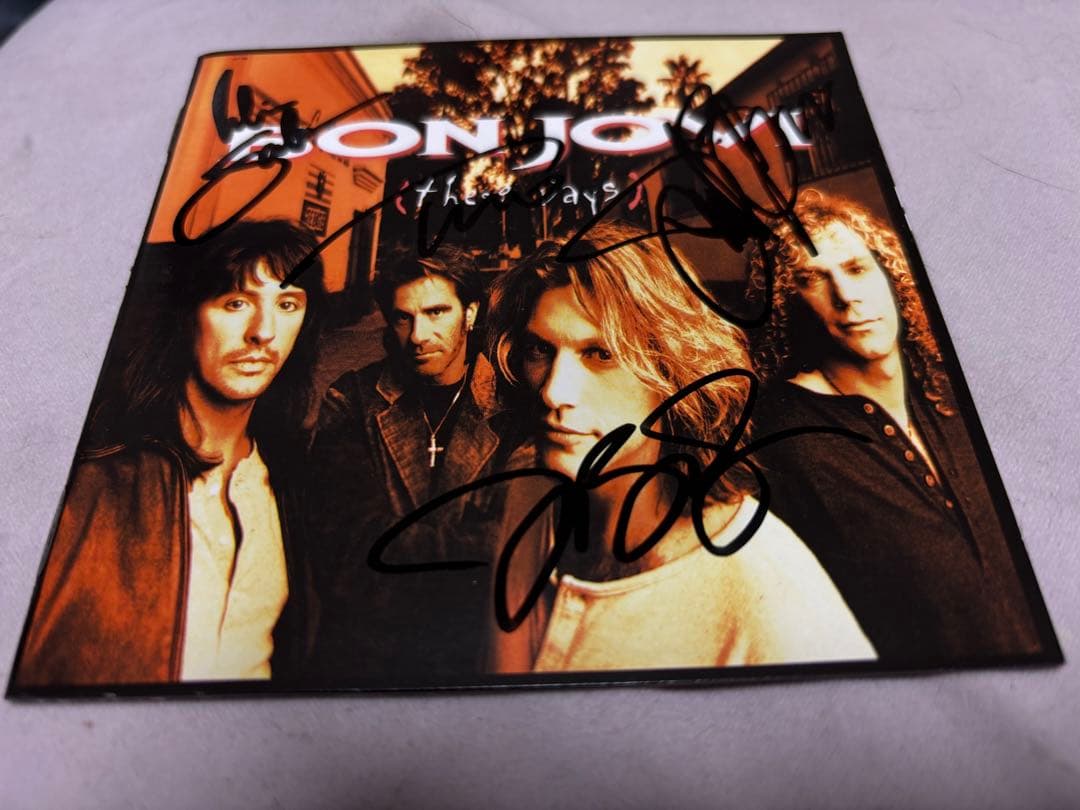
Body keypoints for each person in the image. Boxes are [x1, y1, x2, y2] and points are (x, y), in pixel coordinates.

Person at [485, 223, 875, 673]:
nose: (554, 391)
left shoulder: (765, 581)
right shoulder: (529, 492)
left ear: (671, 373)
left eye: (600, 354)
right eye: (540, 350)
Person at [13, 219, 326, 688]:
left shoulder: (287, 477)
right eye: (236, 302)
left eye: (287, 305)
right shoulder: (97, 477)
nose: (263, 332)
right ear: (186, 316)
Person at [748, 189, 1042, 662]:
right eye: (813, 279)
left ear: (890, 274)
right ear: (788, 302)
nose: (846, 297)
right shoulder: (784, 438)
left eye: (857, 269)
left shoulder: (952, 389)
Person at [307, 243, 520, 683]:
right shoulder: (352, 399)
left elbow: (517, 545)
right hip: (366, 658)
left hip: (475, 656)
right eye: (404, 318)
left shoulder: (515, 407)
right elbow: (346, 549)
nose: (419, 335)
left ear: (471, 313)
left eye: (437, 312)